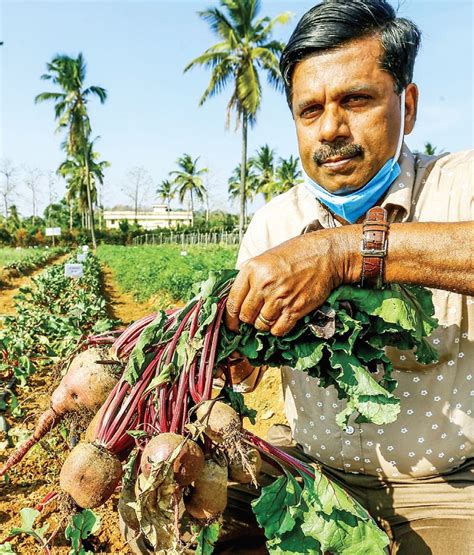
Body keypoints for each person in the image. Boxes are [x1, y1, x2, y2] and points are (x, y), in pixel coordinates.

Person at [221, 1, 474, 553]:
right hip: (307, 470)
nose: (331, 129)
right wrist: (231, 355)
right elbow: (240, 377)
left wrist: (342, 252)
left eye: (355, 100)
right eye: (309, 111)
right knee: (176, 509)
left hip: (446, 486)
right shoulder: (273, 225)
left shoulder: (458, 184)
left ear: (407, 105)